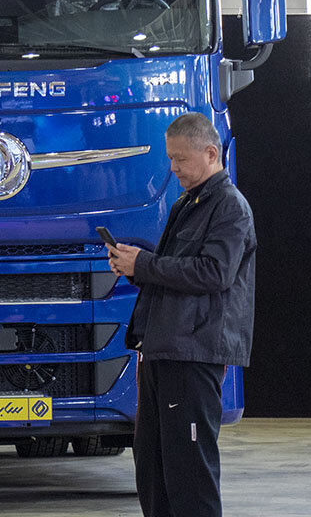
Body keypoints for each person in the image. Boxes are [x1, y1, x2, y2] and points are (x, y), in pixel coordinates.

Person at [106, 112, 257, 517]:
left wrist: (145, 264)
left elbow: (214, 273)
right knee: (153, 468)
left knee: (189, 473)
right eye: (170, 158)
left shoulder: (230, 207)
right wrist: (134, 268)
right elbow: (174, 272)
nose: (173, 168)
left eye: (180, 159)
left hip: (193, 353)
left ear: (211, 153)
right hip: (163, 349)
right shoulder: (186, 204)